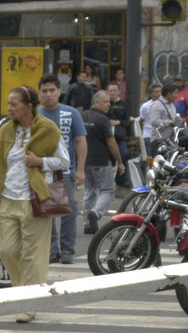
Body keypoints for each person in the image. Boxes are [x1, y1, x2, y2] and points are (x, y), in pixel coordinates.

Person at [0, 87, 69, 322]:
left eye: (14, 104)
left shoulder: (47, 129)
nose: (10, 108)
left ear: (29, 105)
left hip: (34, 200)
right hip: (7, 200)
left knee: (33, 255)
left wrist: (40, 161)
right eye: (9, 103)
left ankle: (29, 303)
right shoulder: (5, 130)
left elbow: (63, 160)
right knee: (7, 251)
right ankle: (21, 291)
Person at [36, 74, 87, 265]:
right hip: (40, 172)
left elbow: (80, 141)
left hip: (66, 172)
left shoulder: (71, 113)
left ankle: (67, 250)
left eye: (52, 90)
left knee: (69, 211)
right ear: (39, 93)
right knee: (46, 212)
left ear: (59, 92)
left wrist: (81, 170)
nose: (48, 94)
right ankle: (52, 250)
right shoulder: (35, 115)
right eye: (44, 91)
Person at [83, 89, 123, 233]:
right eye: (105, 102)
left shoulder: (84, 116)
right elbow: (112, 143)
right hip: (101, 160)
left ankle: (87, 224)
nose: (108, 105)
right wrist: (120, 161)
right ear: (96, 102)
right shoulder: (103, 120)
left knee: (89, 191)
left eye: (109, 102)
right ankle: (96, 213)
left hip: (86, 160)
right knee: (107, 190)